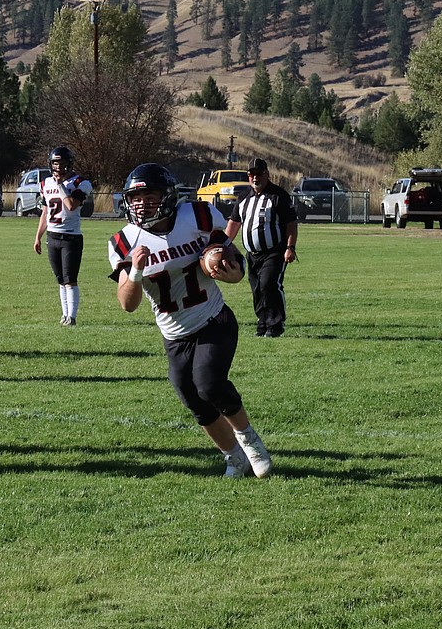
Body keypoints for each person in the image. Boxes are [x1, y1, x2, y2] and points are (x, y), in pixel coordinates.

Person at [107, 162, 273, 478]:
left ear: (167, 196)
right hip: (174, 335)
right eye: (136, 198)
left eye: (150, 196)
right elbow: (128, 304)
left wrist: (228, 269)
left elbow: (234, 264)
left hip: (213, 319)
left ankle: (251, 442)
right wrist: (137, 270)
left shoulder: (198, 216)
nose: (141, 204)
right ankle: (234, 458)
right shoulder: (124, 241)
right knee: (194, 401)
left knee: (209, 383)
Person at [224, 158, 297, 338]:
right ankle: (263, 321)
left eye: (259, 174)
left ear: (267, 175)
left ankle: (276, 323)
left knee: (269, 284)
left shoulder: (278, 195)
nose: (255, 178)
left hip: (274, 251)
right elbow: (234, 222)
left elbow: (291, 223)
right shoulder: (243, 197)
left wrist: (290, 247)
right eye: (251, 174)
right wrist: (223, 244)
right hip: (252, 253)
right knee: (256, 288)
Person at [33, 146, 93, 326]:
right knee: (60, 279)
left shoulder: (80, 183)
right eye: (55, 163)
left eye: (61, 163)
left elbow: (71, 206)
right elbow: (45, 212)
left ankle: (72, 317)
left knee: (70, 279)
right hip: (52, 236)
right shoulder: (45, 183)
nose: (58, 167)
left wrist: (60, 185)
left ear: (69, 164)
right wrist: (37, 236)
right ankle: (64, 314)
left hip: (71, 237)